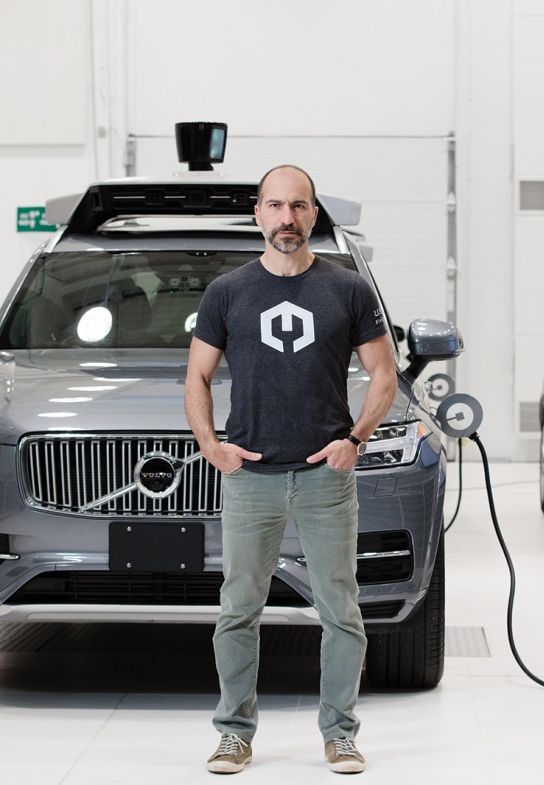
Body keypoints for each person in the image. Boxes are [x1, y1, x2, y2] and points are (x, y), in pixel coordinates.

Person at [184, 164, 397, 775]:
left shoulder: (348, 289)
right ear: (258, 214)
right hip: (250, 476)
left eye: (298, 206)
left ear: (313, 215)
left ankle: (340, 732)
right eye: (275, 206)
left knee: (340, 610)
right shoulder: (227, 291)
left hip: (325, 477)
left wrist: (354, 439)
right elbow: (197, 375)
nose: (286, 218)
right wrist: (210, 444)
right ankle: (233, 732)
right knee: (238, 609)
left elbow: (384, 374)